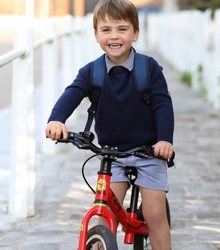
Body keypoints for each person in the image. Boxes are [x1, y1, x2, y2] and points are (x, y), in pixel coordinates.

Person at [45, 0, 174, 249]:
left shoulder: (149, 69)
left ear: (135, 33)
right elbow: (72, 93)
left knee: (155, 214)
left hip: (148, 152)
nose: (114, 36)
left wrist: (164, 140)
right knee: (106, 214)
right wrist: (56, 119)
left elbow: (163, 105)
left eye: (122, 29)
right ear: (96, 35)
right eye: (106, 30)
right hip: (111, 154)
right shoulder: (91, 72)